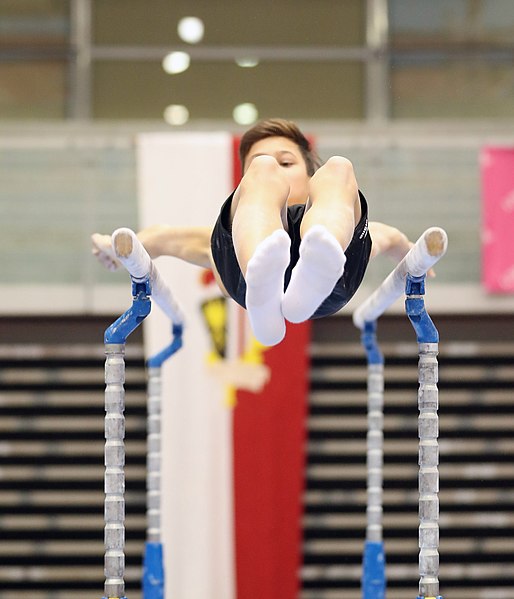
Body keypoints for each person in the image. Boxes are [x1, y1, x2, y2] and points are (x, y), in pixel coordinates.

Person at [92, 118, 414, 346]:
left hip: (332, 279)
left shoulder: (340, 202)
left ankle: (317, 264)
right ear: (242, 186)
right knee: (265, 177)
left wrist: (414, 256)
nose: (276, 172)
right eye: (257, 168)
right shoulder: (221, 236)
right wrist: (114, 246)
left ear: (309, 174)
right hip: (245, 272)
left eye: (286, 164)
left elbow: (393, 240)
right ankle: (262, 278)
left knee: (340, 167)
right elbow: (161, 238)